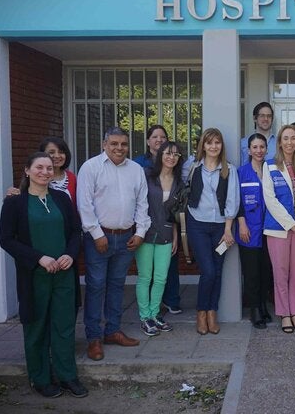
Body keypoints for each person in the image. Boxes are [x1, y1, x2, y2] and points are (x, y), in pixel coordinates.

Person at [0, 152, 88, 398]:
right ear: (27, 171)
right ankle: (40, 377)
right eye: (39, 167)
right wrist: (39, 258)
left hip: (64, 274)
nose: (45, 172)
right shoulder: (14, 203)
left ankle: (67, 375)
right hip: (34, 275)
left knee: (64, 326)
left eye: (49, 168)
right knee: (36, 327)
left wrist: (70, 254)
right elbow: (6, 240)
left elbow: (75, 231)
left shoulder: (61, 198)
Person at [77, 127, 151, 361]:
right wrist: (97, 234)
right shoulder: (90, 168)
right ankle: (94, 338)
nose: (119, 148)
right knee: (96, 286)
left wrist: (140, 232)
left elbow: (142, 203)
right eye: (114, 144)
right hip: (99, 238)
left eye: (123, 144)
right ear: (104, 144)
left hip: (126, 237)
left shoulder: (136, 169)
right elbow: (84, 204)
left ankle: (113, 331)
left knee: (117, 285)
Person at [263, 125, 295, 333]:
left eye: (293, 138)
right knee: (281, 272)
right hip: (279, 229)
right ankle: (284, 313)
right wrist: (291, 223)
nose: (289, 142)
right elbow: (270, 199)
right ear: (279, 142)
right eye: (285, 138)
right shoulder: (269, 166)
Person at [186, 128, 240, 335]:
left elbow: (232, 199)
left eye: (217, 142)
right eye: (209, 142)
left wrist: (228, 229)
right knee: (208, 270)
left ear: (221, 145)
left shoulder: (229, 169)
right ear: (203, 145)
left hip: (220, 227)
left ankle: (212, 313)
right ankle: (201, 312)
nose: (213, 146)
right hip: (197, 224)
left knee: (217, 271)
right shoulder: (192, 166)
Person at [135, 141, 183, 336]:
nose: (171, 157)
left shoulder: (178, 182)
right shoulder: (146, 176)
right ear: (161, 155)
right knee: (145, 277)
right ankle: (144, 316)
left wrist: (175, 237)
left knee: (161, 278)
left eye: (176, 154)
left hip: (166, 234)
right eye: (168, 153)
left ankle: (155, 314)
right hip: (145, 233)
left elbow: (175, 213)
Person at [236, 133, 273, 329]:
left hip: (269, 229)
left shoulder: (272, 170)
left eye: (262, 147)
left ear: (266, 149)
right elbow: (236, 201)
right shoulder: (241, 172)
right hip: (248, 230)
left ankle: (263, 305)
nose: (259, 151)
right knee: (251, 272)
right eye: (255, 147)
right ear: (249, 150)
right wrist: (242, 224)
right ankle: (255, 309)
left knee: (266, 271)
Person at [6, 137, 78, 206]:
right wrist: (14, 194)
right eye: (51, 152)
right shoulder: (38, 177)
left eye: (61, 152)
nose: (57, 156)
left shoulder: (72, 178)